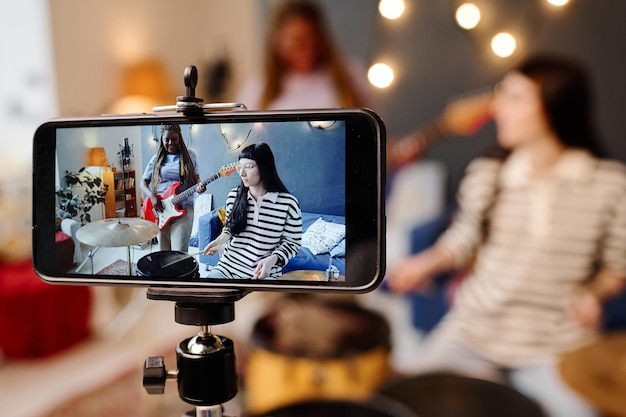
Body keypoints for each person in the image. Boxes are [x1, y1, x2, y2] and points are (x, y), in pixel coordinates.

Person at [387, 54, 626, 417]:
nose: (498, 108)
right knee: (405, 401)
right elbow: (462, 240)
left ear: (553, 106)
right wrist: (424, 263)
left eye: (514, 98)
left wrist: (595, 295)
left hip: (556, 343)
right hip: (474, 331)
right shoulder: (488, 172)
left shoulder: (609, 184)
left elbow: (617, 265)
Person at [238, 0, 373, 110]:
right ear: (277, 43)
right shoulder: (258, 88)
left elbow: (374, 133)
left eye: (313, 39)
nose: (308, 49)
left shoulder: (351, 75)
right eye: (297, 42)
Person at [202, 142, 302, 279]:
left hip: (263, 273)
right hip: (228, 267)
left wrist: (272, 260)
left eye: (249, 167)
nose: (242, 173)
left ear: (264, 167)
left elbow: (292, 243)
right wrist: (219, 240)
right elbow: (232, 227)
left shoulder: (288, 203)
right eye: (240, 167)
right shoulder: (234, 196)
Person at [141, 123, 206, 253]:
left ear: (179, 138)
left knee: (179, 252)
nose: (171, 143)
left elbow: (196, 179)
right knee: (163, 251)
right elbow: (143, 182)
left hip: (183, 208)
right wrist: (152, 196)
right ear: (162, 140)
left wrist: (200, 186)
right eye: (167, 140)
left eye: (174, 139)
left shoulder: (190, 156)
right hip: (161, 209)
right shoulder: (156, 159)